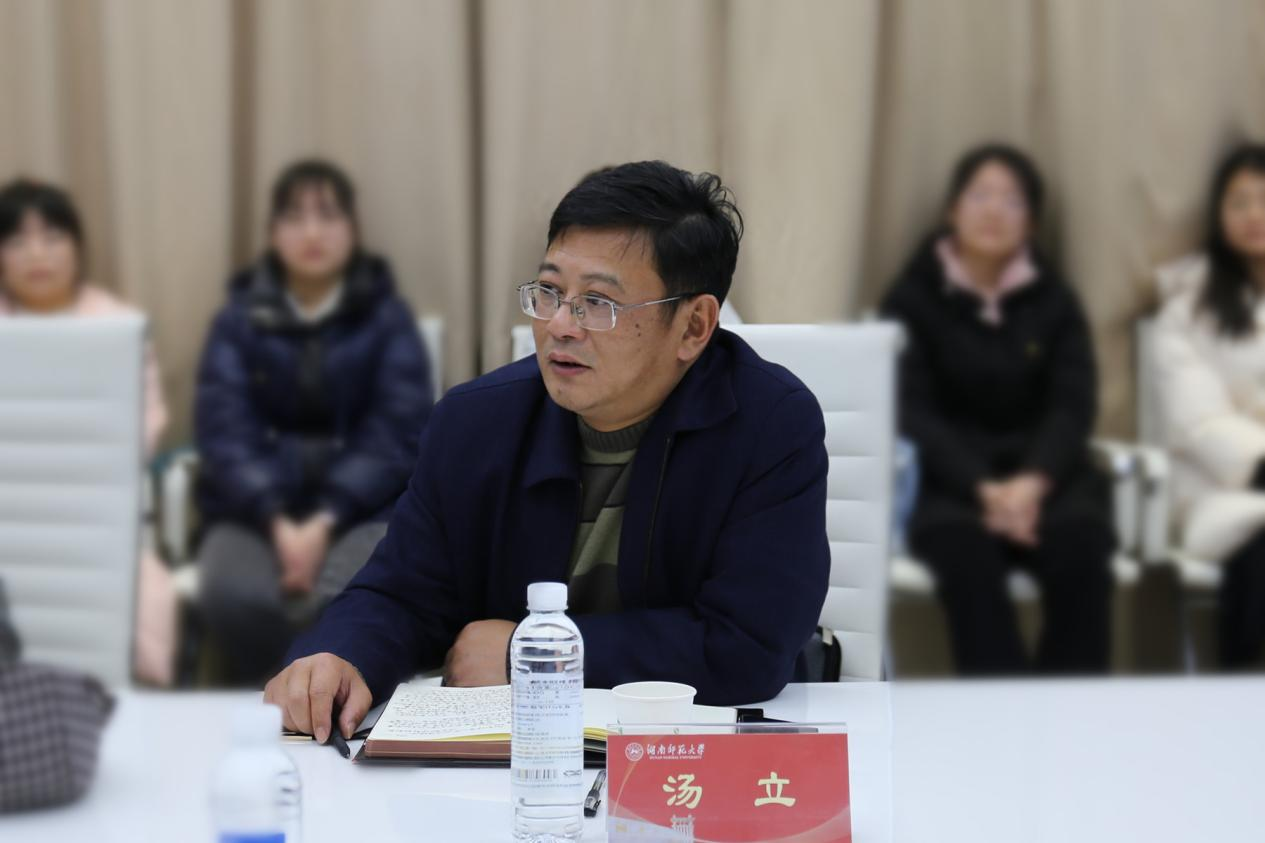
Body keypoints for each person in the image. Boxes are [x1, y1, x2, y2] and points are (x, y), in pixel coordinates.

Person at [264, 160, 830, 743]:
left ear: (693, 327)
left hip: (691, 752)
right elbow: (402, 593)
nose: (560, 325)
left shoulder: (769, 425)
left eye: (597, 303)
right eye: (551, 293)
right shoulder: (475, 422)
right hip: (513, 757)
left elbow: (747, 648)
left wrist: (533, 654)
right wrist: (339, 656)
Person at [194, 159, 432, 685]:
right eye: (295, 217)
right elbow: (224, 432)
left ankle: (325, 701)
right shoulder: (237, 321)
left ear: (353, 230)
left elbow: (398, 433)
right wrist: (276, 519)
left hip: (364, 511)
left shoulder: (388, 319)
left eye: (327, 215)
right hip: (251, 514)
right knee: (232, 593)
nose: (312, 232)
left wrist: (325, 518)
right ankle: (273, 701)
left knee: (353, 594)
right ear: (272, 233)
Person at [881, 144, 1113, 675]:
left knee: (1082, 548)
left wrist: (1030, 486)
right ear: (952, 210)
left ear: (1031, 222)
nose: (993, 211)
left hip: (1049, 480)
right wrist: (983, 489)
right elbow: (911, 410)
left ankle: (1075, 713)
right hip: (950, 485)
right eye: (980, 195)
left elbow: (1072, 405)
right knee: (967, 561)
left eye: (1012, 200)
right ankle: (1001, 718)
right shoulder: (913, 298)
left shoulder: (1055, 301)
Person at [0, 177, 175, 685]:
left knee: (141, 599)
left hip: (95, 510)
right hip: (8, 507)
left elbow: (145, 426)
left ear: (77, 248)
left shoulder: (118, 323)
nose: (37, 254)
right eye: (17, 240)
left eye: (52, 237)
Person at [1154, 143, 1265, 668]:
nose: (1254, 215)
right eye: (1240, 202)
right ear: (1219, 217)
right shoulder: (1187, 308)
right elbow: (1198, 419)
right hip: (1224, 489)